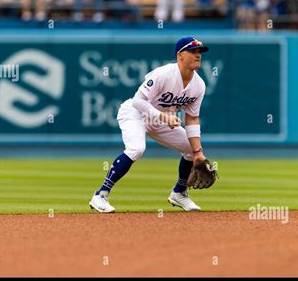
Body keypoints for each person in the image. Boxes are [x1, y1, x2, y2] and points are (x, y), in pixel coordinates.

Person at [89, 37, 210, 213]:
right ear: (180, 55)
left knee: (191, 150)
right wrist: (163, 116)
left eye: (200, 52)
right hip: (135, 113)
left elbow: (192, 118)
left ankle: (179, 193)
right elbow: (138, 101)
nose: (198, 55)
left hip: (161, 120)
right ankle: (100, 195)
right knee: (136, 149)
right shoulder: (164, 74)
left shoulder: (199, 85)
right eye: (193, 51)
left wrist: (198, 153)